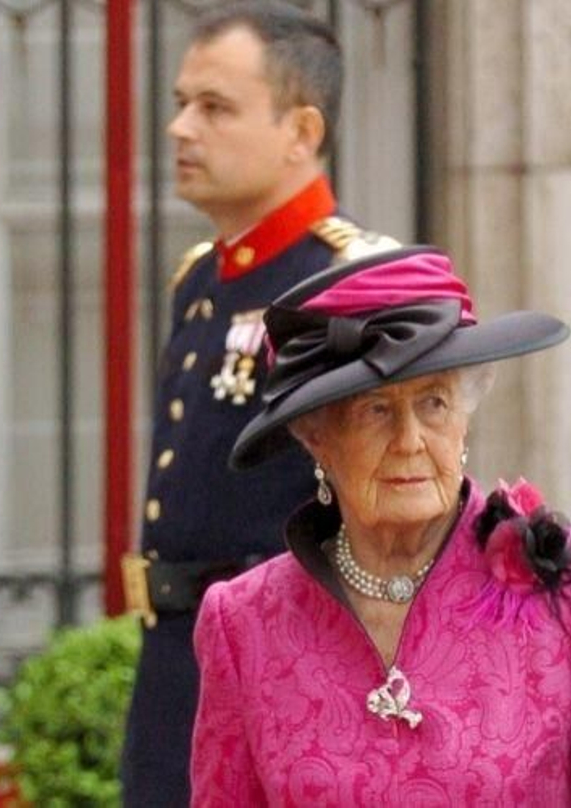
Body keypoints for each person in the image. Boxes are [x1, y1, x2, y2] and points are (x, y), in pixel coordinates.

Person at [187, 246, 571, 805]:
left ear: (463, 417)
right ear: (316, 438)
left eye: (433, 403)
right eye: (376, 411)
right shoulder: (243, 624)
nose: (410, 441)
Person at [119, 4, 397, 805]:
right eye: (180, 102)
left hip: (291, 668)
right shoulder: (201, 282)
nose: (179, 128)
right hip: (177, 664)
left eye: (215, 107)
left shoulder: (355, 285)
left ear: (301, 131)